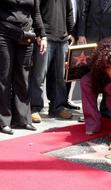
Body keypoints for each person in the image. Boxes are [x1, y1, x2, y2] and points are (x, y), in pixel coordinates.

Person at [0, 0, 47, 134]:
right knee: (4, 78)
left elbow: (36, 12)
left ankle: (22, 120)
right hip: (4, 33)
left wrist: (42, 35)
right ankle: (3, 121)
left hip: (26, 35)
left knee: (23, 77)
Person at [77, 0, 111, 119]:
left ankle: (105, 109)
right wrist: (81, 34)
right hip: (90, 38)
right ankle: (89, 113)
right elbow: (83, 11)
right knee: (89, 77)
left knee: (109, 75)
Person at [30, 0, 74, 123]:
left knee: (59, 77)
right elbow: (36, 11)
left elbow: (69, 11)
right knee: (39, 76)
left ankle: (57, 107)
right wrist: (39, 33)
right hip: (45, 38)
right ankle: (35, 108)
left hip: (62, 38)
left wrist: (70, 32)